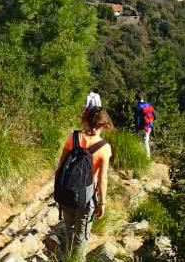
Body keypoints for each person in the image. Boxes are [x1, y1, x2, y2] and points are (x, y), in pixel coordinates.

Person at [56, 107, 112, 261]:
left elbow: (60, 166)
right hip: (86, 198)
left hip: (67, 193)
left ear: (85, 121)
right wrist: (102, 202)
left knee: (70, 231)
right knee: (81, 237)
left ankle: (68, 257)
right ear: (104, 125)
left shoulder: (73, 137)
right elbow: (102, 179)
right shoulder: (104, 148)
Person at [134, 93, 156, 158]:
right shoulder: (149, 105)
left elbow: (136, 119)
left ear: (137, 99)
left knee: (140, 141)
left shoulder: (137, 107)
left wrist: (137, 127)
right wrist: (150, 121)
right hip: (148, 126)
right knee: (146, 141)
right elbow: (155, 116)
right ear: (143, 98)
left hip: (141, 127)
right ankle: (147, 157)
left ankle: (141, 156)